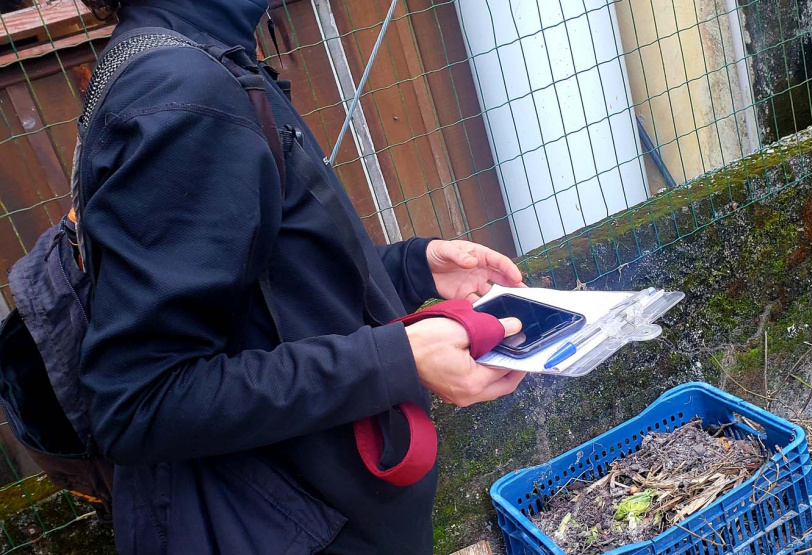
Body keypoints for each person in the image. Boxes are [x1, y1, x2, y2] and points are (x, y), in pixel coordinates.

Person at [74, 0, 527, 553]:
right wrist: (398, 359)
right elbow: (143, 400)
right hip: (294, 526)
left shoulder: (201, 56)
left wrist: (411, 267)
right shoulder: (184, 94)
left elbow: (263, 298)